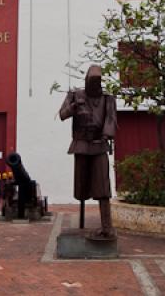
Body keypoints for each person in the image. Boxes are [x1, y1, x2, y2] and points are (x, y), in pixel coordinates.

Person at [59, 65, 117, 240]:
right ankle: (83, 224)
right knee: (82, 186)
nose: (95, 87)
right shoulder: (75, 95)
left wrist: (107, 135)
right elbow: (62, 114)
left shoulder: (107, 99)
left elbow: (111, 118)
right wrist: (75, 106)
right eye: (91, 82)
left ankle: (107, 227)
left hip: (99, 145)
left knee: (103, 187)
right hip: (82, 145)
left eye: (97, 83)